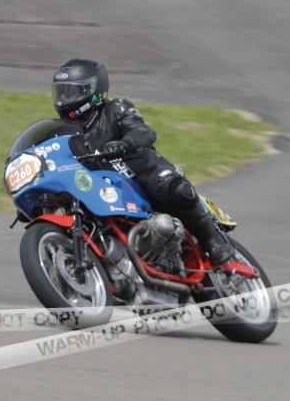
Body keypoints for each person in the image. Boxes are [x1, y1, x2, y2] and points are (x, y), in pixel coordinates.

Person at [51, 58, 235, 265]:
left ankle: (214, 243)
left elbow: (143, 131)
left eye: (71, 92)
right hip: (106, 192)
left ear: (92, 90)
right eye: (61, 92)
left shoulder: (116, 109)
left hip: (141, 175)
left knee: (171, 186)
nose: (63, 99)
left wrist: (124, 144)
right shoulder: (65, 134)